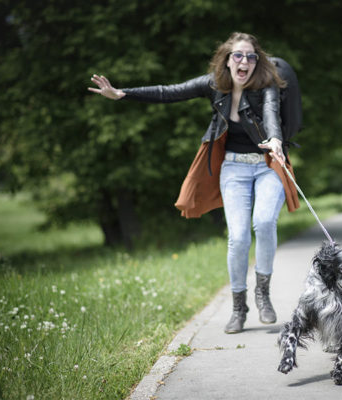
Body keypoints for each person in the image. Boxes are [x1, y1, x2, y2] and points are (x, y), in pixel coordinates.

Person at [89, 32, 300, 334]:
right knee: (238, 237)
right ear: (227, 60)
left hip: (267, 166)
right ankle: (239, 307)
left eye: (251, 56)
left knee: (264, 223)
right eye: (238, 56)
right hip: (233, 169)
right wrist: (123, 94)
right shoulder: (213, 84)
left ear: (257, 61)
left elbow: (271, 112)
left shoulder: (266, 85)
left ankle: (262, 292)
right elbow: (168, 91)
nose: (245, 62)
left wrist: (276, 138)